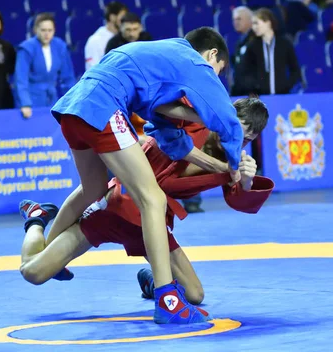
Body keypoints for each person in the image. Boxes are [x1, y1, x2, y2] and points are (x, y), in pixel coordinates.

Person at [47, 27, 244, 324]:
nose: (215, 76)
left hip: (74, 105)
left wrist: (200, 119)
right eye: (219, 70)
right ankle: (167, 299)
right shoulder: (196, 63)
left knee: (93, 189)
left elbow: (166, 130)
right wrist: (235, 162)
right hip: (104, 105)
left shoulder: (160, 58)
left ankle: (52, 253)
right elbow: (227, 117)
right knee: (152, 198)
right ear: (212, 54)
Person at [18, 97, 270, 316]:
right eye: (234, 129)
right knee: (33, 272)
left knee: (194, 294)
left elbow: (239, 200)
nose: (236, 140)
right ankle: (36, 220)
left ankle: (152, 281)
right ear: (224, 117)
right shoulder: (192, 122)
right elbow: (161, 112)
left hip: (152, 225)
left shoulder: (234, 160)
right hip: (115, 208)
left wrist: (245, 180)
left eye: (246, 139)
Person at [15, 13, 76, 119]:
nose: (47, 34)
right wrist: (25, 104)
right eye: (43, 30)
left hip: (52, 100)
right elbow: (21, 79)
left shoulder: (60, 46)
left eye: (50, 30)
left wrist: (73, 102)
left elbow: (68, 78)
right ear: (35, 30)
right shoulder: (26, 49)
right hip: (31, 101)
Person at [233, 8, 301, 96]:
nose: (254, 27)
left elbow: (295, 69)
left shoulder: (284, 44)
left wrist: (287, 85)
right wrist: (255, 86)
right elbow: (243, 72)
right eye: (253, 24)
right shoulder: (252, 46)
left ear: (268, 23)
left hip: (282, 96)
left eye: (256, 23)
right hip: (260, 97)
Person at [85, 1, 128, 70]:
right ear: (112, 17)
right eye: (122, 17)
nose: (125, 20)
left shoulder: (126, 37)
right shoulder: (95, 40)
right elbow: (93, 70)